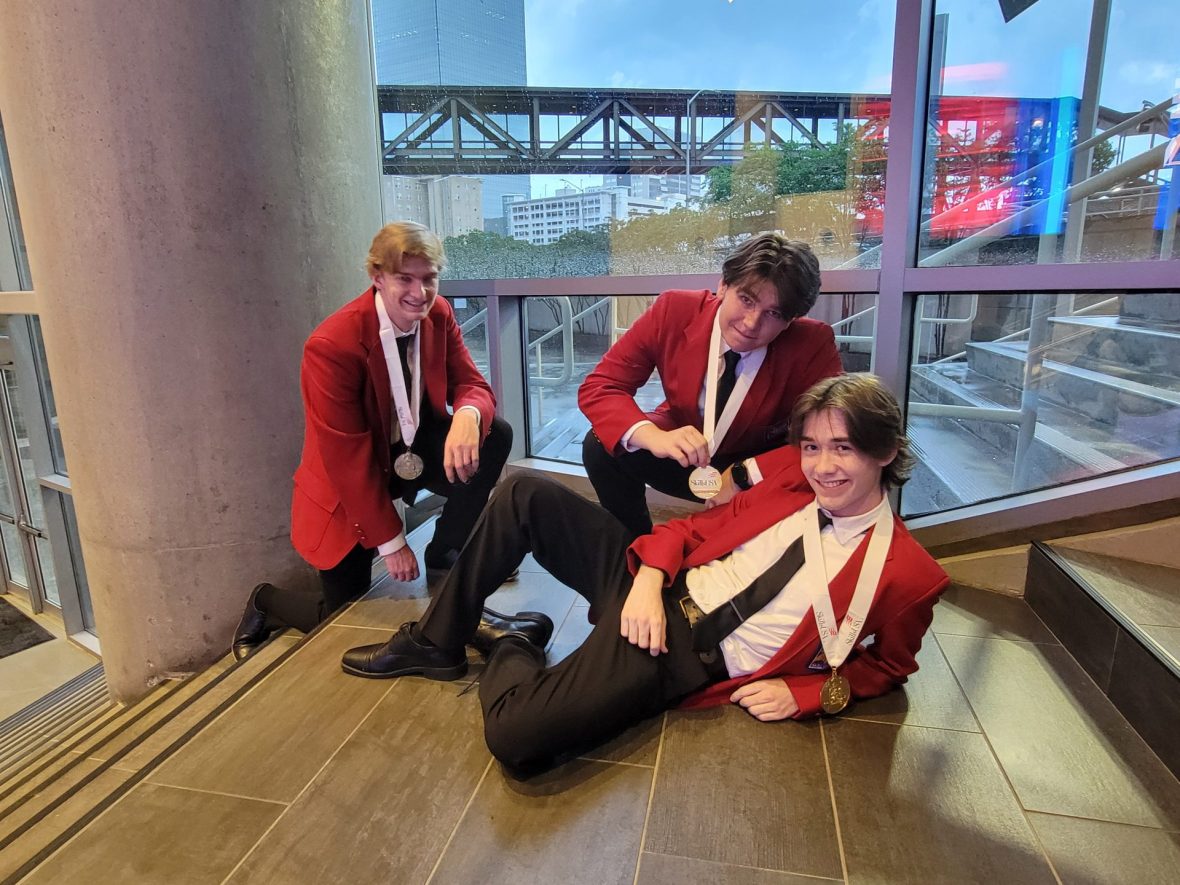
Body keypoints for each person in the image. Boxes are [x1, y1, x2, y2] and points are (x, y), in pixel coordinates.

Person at [340, 373, 949, 775]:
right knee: (525, 493)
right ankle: (436, 641)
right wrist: (650, 583)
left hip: (682, 651)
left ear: (885, 452)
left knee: (514, 737)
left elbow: (888, 667)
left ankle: (514, 643)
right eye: (812, 446)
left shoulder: (909, 574)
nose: (821, 465)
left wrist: (809, 694)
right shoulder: (791, 482)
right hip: (659, 583)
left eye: (843, 448)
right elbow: (691, 530)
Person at [233, 222, 519, 659]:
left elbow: (472, 384)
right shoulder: (332, 345)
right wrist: (393, 541)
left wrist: (468, 413)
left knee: (494, 434)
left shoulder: (439, 314)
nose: (420, 293)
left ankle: (445, 548)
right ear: (377, 277)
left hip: (409, 453)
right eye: (405, 278)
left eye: (429, 278)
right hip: (350, 481)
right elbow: (346, 458)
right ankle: (266, 601)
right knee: (340, 617)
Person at [579, 233, 844, 538]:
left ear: (791, 319)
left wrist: (746, 473)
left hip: (758, 464)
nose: (751, 323)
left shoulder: (812, 342)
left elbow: (836, 432)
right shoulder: (674, 310)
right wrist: (651, 436)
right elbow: (601, 385)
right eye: (746, 299)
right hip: (689, 448)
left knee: (822, 473)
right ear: (723, 285)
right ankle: (632, 547)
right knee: (601, 445)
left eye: (773, 313)